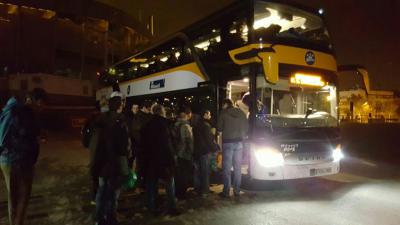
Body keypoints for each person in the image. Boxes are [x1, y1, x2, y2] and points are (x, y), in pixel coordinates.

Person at [0, 94, 41, 225]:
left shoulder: (24, 112)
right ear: (30, 100)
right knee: (17, 199)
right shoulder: (13, 111)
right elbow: (2, 139)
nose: (40, 107)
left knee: (21, 199)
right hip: (14, 161)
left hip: (22, 161)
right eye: (39, 103)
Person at [92, 96, 131, 225]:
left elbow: (92, 142)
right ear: (120, 106)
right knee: (113, 192)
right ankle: (111, 217)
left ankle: (99, 217)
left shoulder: (100, 119)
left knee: (101, 190)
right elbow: (124, 145)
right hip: (115, 162)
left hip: (101, 161)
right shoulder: (121, 121)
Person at [141, 104, 179, 215]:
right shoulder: (166, 125)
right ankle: (171, 207)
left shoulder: (146, 125)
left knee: (151, 185)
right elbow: (169, 145)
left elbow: (143, 146)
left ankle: (151, 208)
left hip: (150, 161)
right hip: (164, 160)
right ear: (162, 112)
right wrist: (172, 159)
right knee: (169, 183)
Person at [217, 99, 248, 198]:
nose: (222, 107)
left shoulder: (224, 113)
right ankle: (237, 191)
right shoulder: (241, 113)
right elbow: (247, 127)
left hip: (228, 143)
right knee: (238, 168)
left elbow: (219, 128)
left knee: (226, 168)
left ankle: (226, 192)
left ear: (226, 104)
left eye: (223, 105)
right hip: (239, 143)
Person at [193, 110, 218, 197]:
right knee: (205, 172)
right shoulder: (206, 125)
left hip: (196, 151)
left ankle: (197, 189)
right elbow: (209, 140)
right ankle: (205, 191)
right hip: (204, 151)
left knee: (198, 171)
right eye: (209, 114)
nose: (210, 116)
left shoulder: (196, 124)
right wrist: (215, 148)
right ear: (205, 114)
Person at [173, 108, 194, 199]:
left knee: (179, 174)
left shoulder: (175, 125)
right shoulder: (185, 126)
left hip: (177, 153)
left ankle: (177, 192)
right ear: (186, 115)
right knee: (184, 174)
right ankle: (182, 194)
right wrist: (191, 152)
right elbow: (189, 140)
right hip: (184, 153)